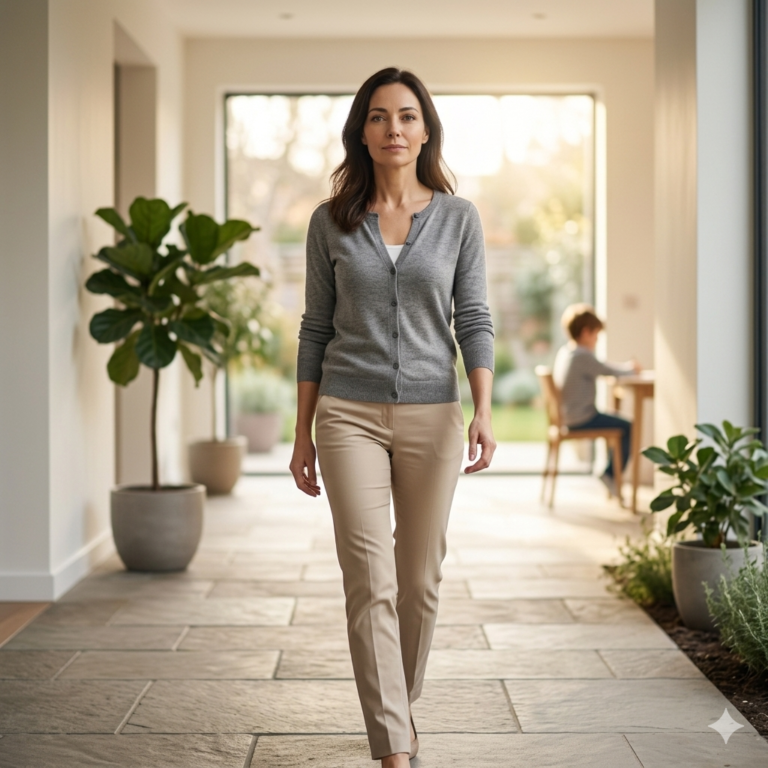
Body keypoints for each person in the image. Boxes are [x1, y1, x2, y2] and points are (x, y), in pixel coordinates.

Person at [289, 67, 496, 766]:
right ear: (362, 130)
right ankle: (393, 745)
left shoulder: (459, 218)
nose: (393, 129)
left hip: (434, 415)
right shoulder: (331, 221)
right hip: (347, 416)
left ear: (426, 128)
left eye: (406, 116)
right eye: (379, 117)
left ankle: (398, 709)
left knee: (419, 581)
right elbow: (315, 329)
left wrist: (484, 408)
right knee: (369, 578)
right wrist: (301, 434)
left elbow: (474, 318)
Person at [552, 304, 640, 495]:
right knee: (629, 426)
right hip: (582, 418)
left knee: (616, 421)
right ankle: (610, 475)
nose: (597, 340)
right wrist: (631, 368)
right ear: (585, 333)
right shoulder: (582, 356)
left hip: (569, 417)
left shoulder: (566, 353)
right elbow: (608, 370)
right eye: (596, 335)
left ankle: (610, 474)